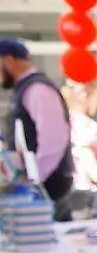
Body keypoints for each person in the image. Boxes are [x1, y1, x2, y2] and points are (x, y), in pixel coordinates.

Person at [0, 38, 75, 221]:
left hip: (48, 187)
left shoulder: (37, 89)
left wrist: (34, 181)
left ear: (8, 60)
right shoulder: (24, 89)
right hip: (40, 185)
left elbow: (53, 138)